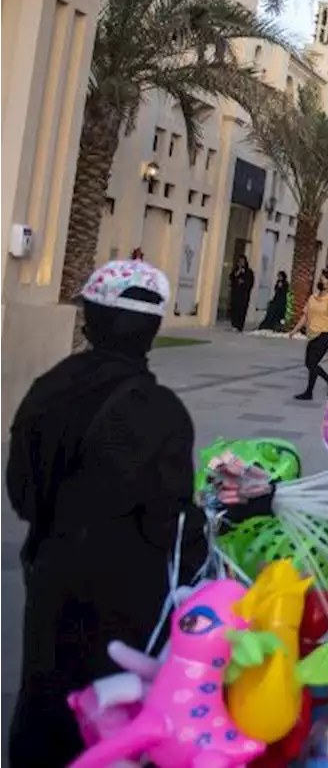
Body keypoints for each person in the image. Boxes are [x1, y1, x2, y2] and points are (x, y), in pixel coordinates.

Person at [6, 260, 210, 766]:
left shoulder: (47, 389)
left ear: (90, 320)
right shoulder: (161, 411)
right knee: (108, 715)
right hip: (128, 600)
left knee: (45, 699)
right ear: (153, 330)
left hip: (52, 577)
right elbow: (173, 525)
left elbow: (21, 493)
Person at [289, 273, 328, 400]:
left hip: (325, 335)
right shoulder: (312, 298)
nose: (320, 280)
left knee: (311, 363)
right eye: (320, 278)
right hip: (313, 334)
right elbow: (305, 316)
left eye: (323, 279)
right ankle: (327, 382)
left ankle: (314, 389)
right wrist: (295, 330)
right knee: (310, 363)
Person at [228, 254, 255, 332]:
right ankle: (234, 324)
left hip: (244, 295)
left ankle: (240, 326)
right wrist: (237, 274)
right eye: (240, 261)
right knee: (234, 308)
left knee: (242, 309)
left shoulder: (249, 272)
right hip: (236, 293)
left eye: (242, 261)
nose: (241, 263)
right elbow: (232, 278)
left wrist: (243, 282)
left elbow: (250, 282)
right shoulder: (235, 270)